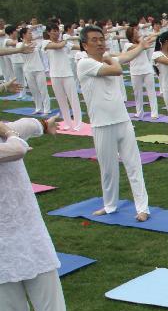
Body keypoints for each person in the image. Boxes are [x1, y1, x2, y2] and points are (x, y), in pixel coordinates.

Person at [0, 115, 78, 311]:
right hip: (3, 249)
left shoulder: (6, 131)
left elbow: (25, 126)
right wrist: (7, 130)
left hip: (31, 240)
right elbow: (17, 148)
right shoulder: (7, 137)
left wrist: (43, 124)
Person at [77, 25, 155, 221]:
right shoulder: (84, 63)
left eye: (101, 39)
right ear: (85, 45)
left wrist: (142, 47)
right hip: (101, 124)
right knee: (108, 169)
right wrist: (112, 57)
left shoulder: (106, 59)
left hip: (122, 120)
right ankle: (110, 205)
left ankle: (142, 207)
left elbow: (126, 58)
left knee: (134, 164)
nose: (100, 43)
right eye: (94, 40)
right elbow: (117, 68)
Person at [43, 24, 83, 130]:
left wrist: (88, 47)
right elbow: (57, 46)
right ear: (48, 32)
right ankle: (67, 123)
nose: (56, 33)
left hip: (67, 74)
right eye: (54, 31)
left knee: (73, 99)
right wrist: (65, 40)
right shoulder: (46, 43)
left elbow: (79, 47)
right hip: (55, 75)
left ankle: (78, 124)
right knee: (61, 100)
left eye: (57, 31)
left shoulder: (65, 43)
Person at [123, 25, 158, 119]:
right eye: (135, 33)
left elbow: (150, 40)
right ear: (131, 36)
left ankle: (154, 113)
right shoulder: (128, 45)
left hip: (147, 70)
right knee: (137, 93)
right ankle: (139, 112)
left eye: (137, 32)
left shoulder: (141, 42)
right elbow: (140, 46)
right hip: (135, 71)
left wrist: (154, 36)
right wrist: (145, 40)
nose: (137, 34)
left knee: (151, 92)